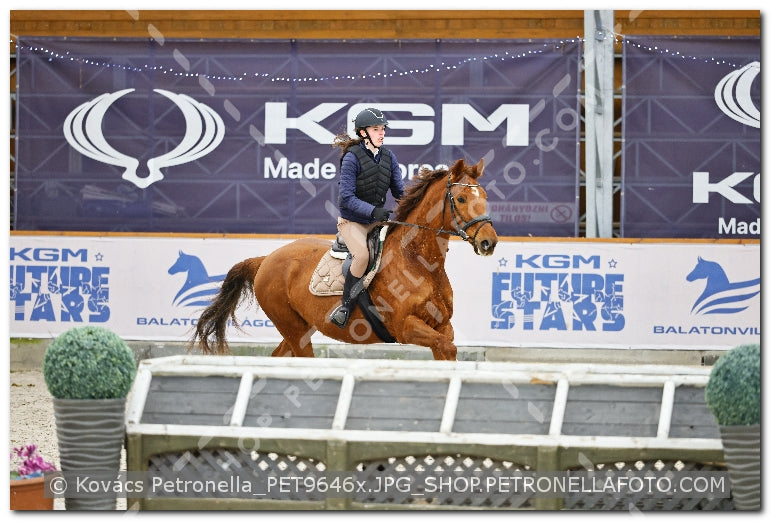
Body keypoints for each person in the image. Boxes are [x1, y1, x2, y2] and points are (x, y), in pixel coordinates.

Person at [329, 107, 405, 328]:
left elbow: (400, 192)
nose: (382, 133)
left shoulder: (389, 157)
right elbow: (346, 198)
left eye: (383, 129)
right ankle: (345, 307)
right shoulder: (351, 158)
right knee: (362, 256)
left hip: (377, 221)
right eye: (376, 129)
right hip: (352, 222)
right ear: (363, 133)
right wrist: (373, 211)